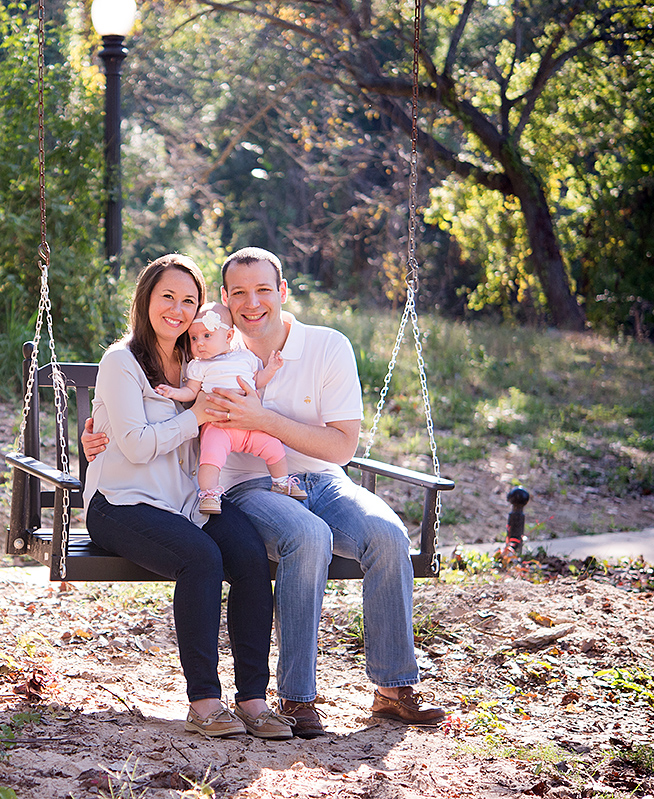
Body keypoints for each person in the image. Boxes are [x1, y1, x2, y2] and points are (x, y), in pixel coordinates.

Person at [83, 247, 447, 738]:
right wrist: (102, 434)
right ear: (227, 305)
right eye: (237, 294)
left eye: (189, 301)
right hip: (204, 492)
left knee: (380, 536)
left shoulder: (271, 349)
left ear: (282, 292)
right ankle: (282, 700)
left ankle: (386, 688)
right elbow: (147, 428)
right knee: (287, 541)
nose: (250, 303)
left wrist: (256, 419)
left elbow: (340, 447)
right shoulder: (179, 353)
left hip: (273, 488)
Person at [84, 253, 292, 740]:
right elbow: (134, 446)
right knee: (200, 558)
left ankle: (254, 701)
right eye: (167, 298)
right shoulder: (122, 362)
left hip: (182, 503)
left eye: (189, 300)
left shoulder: (200, 361)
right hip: (121, 503)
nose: (178, 310)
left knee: (246, 553)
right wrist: (196, 414)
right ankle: (204, 703)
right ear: (145, 300)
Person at [154, 302, 306, 514]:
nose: (199, 344)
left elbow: (258, 380)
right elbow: (190, 391)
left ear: (228, 336)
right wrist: (173, 392)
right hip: (218, 426)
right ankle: (209, 495)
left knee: (274, 447)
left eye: (207, 336)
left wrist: (271, 368)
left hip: (251, 425)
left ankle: (280, 482)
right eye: (194, 338)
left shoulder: (245, 358)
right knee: (210, 460)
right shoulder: (198, 366)